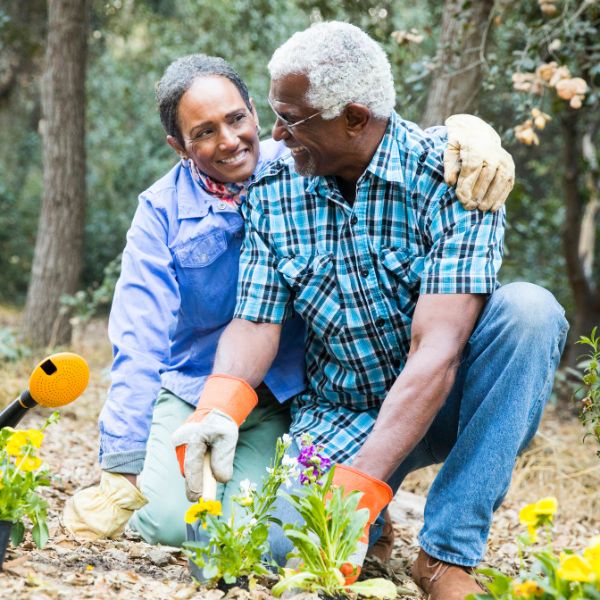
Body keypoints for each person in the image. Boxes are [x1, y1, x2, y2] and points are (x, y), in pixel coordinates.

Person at [174, 23, 568, 600]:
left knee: (530, 311)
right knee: (285, 547)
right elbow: (255, 319)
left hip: (446, 398)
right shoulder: (276, 188)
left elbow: (437, 351)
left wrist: (357, 486)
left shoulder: (455, 178)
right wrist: (218, 405)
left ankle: (444, 555)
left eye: (293, 118)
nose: (276, 134)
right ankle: (374, 527)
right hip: (343, 409)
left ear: (355, 117)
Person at [63, 52, 514, 552]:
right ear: (178, 145)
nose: (231, 141)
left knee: (254, 524)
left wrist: (469, 132)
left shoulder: (300, 157)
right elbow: (139, 341)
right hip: (201, 389)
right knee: (176, 523)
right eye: (204, 132)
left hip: (290, 391)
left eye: (237, 119)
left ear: (255, 111)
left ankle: (403, 531)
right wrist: (122, 466)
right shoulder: (161, 214)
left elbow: (367, 133)